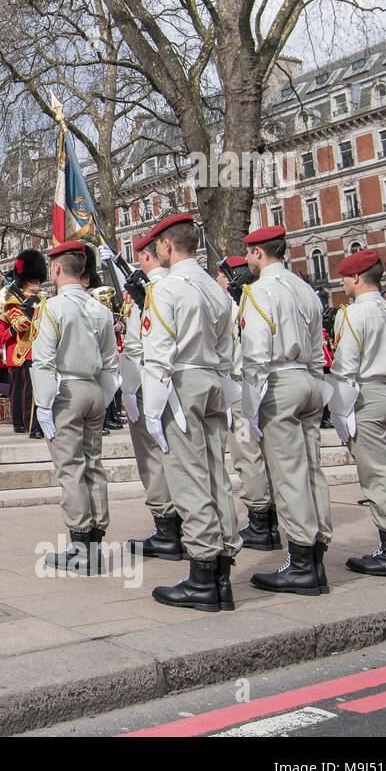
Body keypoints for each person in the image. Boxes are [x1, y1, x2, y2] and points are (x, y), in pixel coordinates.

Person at [140, 214, 239, 612]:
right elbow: (229, 344)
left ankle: (201, 572)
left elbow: (158, 351)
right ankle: (222, 572)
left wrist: (151, 407)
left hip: (180, 382)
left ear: (165, 246)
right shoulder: (215, 289)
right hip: (213, 378)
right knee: (217, 474)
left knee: (188, 476)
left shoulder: (166, 287)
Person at [237, 226, 333, 595]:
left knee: (288, 473)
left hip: (278, 382)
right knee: (312, 469)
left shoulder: (260, 290)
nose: (247, 260)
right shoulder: (305, 289)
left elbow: (256, 353)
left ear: (260, 253)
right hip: (308, 379)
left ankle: (301, 561)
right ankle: (317, 551)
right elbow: (315, 346)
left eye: (249, 253)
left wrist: (249, 409)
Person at [328, 250, 386, 578]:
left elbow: (345, 367)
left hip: (368, 393)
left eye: (344, 277)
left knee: (377, 474)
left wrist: (340, 411)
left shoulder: (354, 314)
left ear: (355, 278)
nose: (342, 282)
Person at [31, 241, 119, 573]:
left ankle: (81, 543)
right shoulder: (100, 308)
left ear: (55, 269)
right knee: (93, 464)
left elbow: (43, 361)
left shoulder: (52, 308)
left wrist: (43, 405)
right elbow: (111, 362)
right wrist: (106, 396)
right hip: (95, 388)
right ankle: (94, 541)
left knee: (70, 468)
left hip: (66, 390)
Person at [214, 255, 281, 550]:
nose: (217, 281)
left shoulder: (231, 307)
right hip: (262, 387)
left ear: (230, 279)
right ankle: (271, 517)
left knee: (246, 455)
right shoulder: (260, 300)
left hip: (241, 390)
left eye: (220, 276)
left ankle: (260, 520)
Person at [122, 230, 180, 559]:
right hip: (184, 383)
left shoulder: (152, 292)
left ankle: (166, 528)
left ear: (147, 256)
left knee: (152, 457)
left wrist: (129, 387)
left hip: (151, 380)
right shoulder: (183, 285)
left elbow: (134, 345)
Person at [1, 250, 46, 433]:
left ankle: (40, 422)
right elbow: (18, 324)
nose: (36, 285)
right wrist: (30, 314)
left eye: (37, 281)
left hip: (43, 349)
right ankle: (28, 423)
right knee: (27, 391)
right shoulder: (14, 302)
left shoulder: (44, 299)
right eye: (32, 281)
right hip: (25, 351)